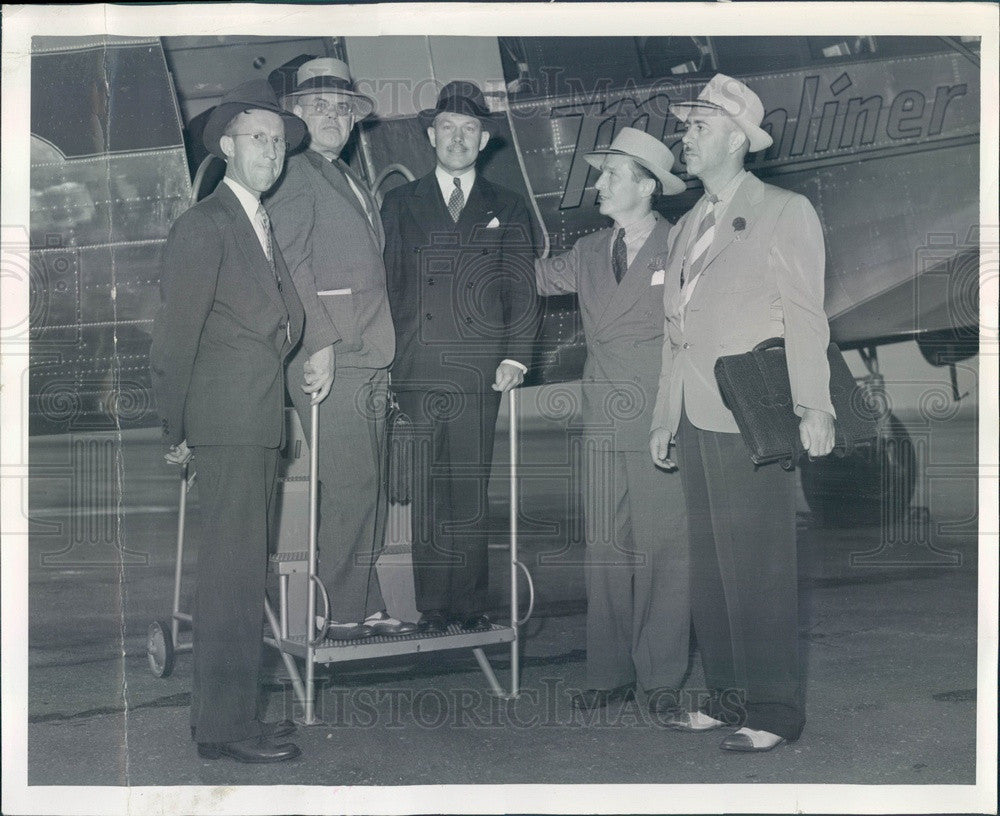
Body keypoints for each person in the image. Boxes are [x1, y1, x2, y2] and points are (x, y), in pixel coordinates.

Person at [649, 74, 835, 752]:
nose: (684, 138)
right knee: (712, 565)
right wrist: (663, 416)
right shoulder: (688, 225)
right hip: (696, 414)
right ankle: (727, 696)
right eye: (685, 127)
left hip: (752, 411)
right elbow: (679, 328)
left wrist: (814, 405)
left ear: (735, 136)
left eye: (696, 127)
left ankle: (775, 710)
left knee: (758, 565)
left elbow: (807, 318)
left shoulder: (786, 211)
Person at [150, 80, 307, 763]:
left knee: (241, 576)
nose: (270, 150)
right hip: (226, 426)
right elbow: (173, 340)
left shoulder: (256, 224)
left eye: (277, 141)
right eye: (258, 138)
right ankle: (224, 727)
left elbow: (282, 322)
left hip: (251, 424)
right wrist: (176, 428)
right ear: (226, 146)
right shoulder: (206, 225)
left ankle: (227, 714)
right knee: (230, 580)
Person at [535, 128, 690, 714]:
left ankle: (662, 677)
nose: (599, 185)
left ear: (647, 186)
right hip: (602, 410)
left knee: (664, 548)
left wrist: (673, 413)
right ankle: (608, 669)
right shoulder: (589, 251)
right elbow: (531, 279)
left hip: (658, 410)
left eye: (613, 176)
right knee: (605, 545)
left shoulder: (680, 246)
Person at [266, 57, 416, 639]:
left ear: (354, 122)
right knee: (353, 483)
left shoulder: (345, 174)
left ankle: (363, 600)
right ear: (296, 117)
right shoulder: (297, 171)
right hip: (331, 356)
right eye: (319, 106)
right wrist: (319, 343)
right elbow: (288, 263)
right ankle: (341, 612)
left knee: (367, 484)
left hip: (365, 351)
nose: (333, 117)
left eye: (342, 109)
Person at [381, 81, 539, 632]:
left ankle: (469, 604)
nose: (456, 138)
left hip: (478, 370)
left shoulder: (508, 206)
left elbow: (521, 289)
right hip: (419, 370)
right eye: (446, 128)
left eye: (468, 130)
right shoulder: (399, 204)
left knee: (469, 487)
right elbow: (392, 288)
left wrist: (517, 357)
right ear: (430, 135)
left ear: (484, 139)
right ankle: (432, 607)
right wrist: (391, 363)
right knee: (425, 489)